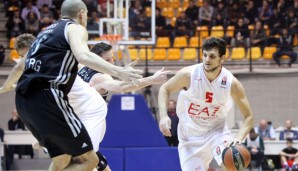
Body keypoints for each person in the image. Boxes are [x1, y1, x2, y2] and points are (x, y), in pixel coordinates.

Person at [1, 0, 143, 170]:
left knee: (62, 160)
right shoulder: (75, 28)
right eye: (87, 15)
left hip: (23, 101)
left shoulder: (44, 34)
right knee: (90, 161)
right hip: (48, 96)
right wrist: (118, 71)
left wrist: (5, 87)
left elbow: (18, 67)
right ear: (82, 14)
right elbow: (83, 55)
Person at [0, 35, 169, 171]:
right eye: (108, 59)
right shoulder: (68, 66)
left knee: (80, 159)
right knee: (91, 162)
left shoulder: (98, 76)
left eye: (112, 59)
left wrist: (150, 79)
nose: (111, 62)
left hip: (90, 116)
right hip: (73, 119)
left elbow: (122, 86)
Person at [158, 37, 254, 170]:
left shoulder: (232, 83)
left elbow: (249, 117)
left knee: (232, 163)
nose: (207, 60)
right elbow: (165, 88)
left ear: (222, 59)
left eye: (212, 56)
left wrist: (238, 137)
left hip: (216, 131)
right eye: (205, 55)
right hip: (190, 135)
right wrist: (163, 116)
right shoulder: (188, 75)